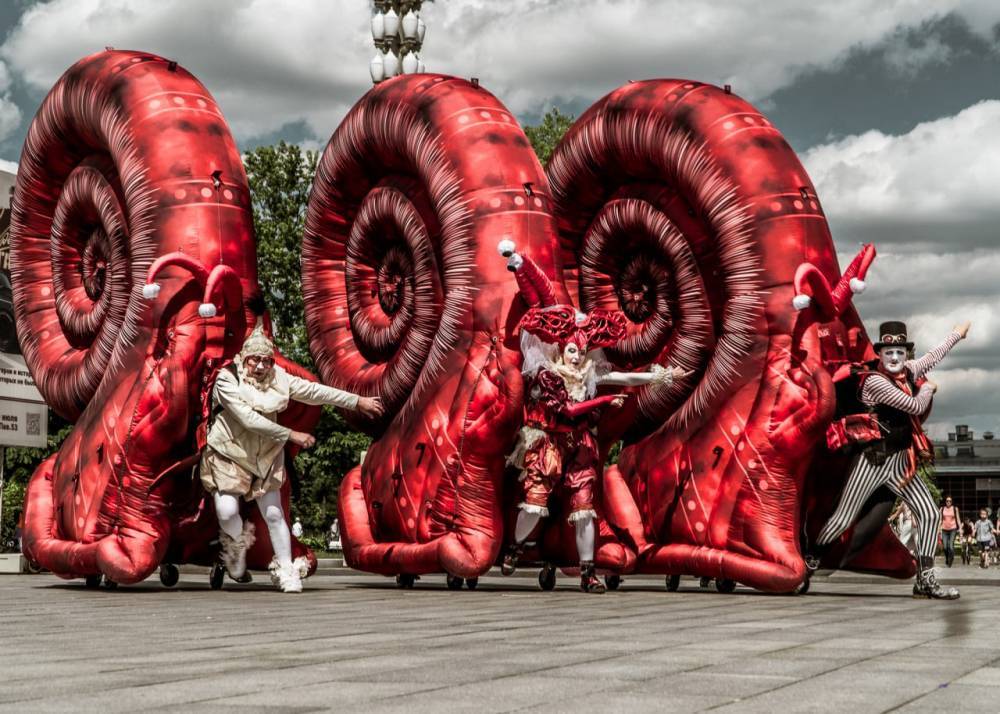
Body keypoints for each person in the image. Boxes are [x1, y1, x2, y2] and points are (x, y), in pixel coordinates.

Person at [496, 241, 688, 593]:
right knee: (535, 506)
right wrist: (605, 400)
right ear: (561, 349)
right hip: (548, 442)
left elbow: (623, 376)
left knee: (585, 508)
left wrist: (661, 376)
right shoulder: (547, 375)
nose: (576, 354)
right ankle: (515, 547)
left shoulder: (588, 374)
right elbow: (567, 410)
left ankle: (587, 572)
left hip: (580, 445)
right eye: (571, 349)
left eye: (581, 350)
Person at [201, 314, 383, 593]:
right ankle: (237, 544)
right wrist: (290, 435)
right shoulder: (228, 380)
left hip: (265, 455)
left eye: (266, 361)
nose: (260, 366)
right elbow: (248, 418)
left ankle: (286, 570)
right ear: (244, 359)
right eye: (254, 360)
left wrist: (357, 401)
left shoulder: (280, 379)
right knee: (226, 512)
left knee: (274, 514)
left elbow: (315, 391)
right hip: (230, 452)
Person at [806, 320, 971, 599]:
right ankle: (809, 562)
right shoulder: (875, 382)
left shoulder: (907, 372)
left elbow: (931, 358)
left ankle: (925, 581)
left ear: (906, 354)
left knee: (930, 513)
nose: (895, 358)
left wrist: (957, 335)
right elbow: (914, 406)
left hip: (901, 464)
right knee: (843, 518)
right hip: (873, 462)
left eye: (900, 352)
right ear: (880, 354)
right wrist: (928, 389)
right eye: (889, 353)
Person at [939, 495, 961, 567]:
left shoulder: (955, 509)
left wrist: (960, 529)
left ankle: (951, 558)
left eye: (950, 501)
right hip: (944, 529)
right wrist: (938, 529)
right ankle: (947, 558)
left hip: (953, 529)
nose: (948, 502)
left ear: (952, 502)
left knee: (951, 546)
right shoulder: (942, 509)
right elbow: (940, 520)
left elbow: (958, 519)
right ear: (945, 501)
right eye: (947, 501)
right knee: (945, 547)